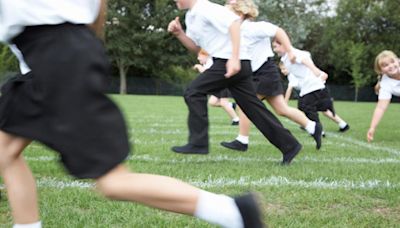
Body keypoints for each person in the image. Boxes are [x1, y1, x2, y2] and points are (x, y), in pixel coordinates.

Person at [0, 1, 265, 227]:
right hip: (46, 60)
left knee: (113, 182)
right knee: (5, 153)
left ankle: (234, 212)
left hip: (57, 60)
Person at [168, 0, 302, 165]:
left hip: (229, 62)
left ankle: (198, 143)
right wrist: (180, 34)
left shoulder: (206, 8)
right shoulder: (191, 17)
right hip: (232, 62)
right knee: (253, 108)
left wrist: (234, 58)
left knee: (193, 91)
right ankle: (290, 145)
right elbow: (199, 49)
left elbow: (234, 24)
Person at [220, 0, 323, 152]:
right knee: (282, 109)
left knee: (246, 103)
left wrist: (289, 51)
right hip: (260, 73)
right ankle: (313, 127)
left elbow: (278, 31)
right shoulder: (237, 30)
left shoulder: (253, 27)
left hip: (265, 73)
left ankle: (242, 140)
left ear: (240, 14)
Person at [272, 40, 339, 139]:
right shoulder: (285, 57)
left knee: (307, 108)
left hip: (312, 85)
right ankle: (324, 107)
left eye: (276, 47)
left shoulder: (292, 54)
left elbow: (304, 60)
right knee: (304, 107)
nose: (274, 50)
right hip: (307, 87)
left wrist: (316, 70)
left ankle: (319, 129)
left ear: (283, 45)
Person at [280, 63, 350, 134]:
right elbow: (325, 75)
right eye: (281, 69)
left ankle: (316, 129)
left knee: (307, 108)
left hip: (314, 92)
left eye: (284, 68)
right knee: (323, 110)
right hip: (320, 91)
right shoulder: (300, 71)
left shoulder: (293, 74)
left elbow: (289, 89)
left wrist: (285, 103)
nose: (282, 71)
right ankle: (343, 125)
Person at [193, 49, 240, 125]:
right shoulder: (206, 63)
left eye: (199, 56)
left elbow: (206, 73)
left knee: (223, 102)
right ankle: (231, 105)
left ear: (205, 55)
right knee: (212, 102)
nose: (198, 58)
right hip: (218, 85)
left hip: (223, 83)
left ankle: (236, 120)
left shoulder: (210, 61)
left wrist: (198, 67)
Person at [367, 50, 400, 142]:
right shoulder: (385, 84)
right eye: (385, 65)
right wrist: (372, 128)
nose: (391, 66)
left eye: (392, 62)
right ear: (381, 71)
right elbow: (381, 108)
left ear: (398, 60)